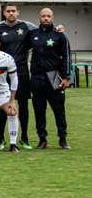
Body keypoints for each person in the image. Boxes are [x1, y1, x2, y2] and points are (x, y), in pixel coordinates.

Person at [0, 4, 33, 149]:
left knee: (23, 105)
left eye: (13, 11)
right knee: (3, 104)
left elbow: (42, 32)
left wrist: (58, 29)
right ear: (4, 13)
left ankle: (24, 137)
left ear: (18, 12)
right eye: (8, 11)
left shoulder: (27, 27)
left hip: (22, 72)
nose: (11, 13)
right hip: (2, 73)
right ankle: (1, 138)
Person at [28, 8, 71, 150]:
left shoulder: (60, 35)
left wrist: (66, 77)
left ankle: (63, 139)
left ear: (52, 17)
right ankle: (42, 139)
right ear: (39, 17)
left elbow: (67, 56)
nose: (46, 18)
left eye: (48, 16)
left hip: (54, 76)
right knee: (39, 110)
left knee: (59, 110)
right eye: (43, 16)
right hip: (36, 77)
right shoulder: (32, 34)